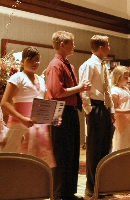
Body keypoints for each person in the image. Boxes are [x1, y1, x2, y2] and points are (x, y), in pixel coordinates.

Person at [46, 31, 90, 200]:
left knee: (72, 154)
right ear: (62, 44)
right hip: (60, 113)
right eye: (72, 43)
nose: (74, 46)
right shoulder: (55, 65)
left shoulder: (68, 65)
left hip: (70, 112)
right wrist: (80, 88)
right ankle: (58, 194)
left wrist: (79, 89)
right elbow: (57, 92)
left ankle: (68, 192)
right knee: (61, 154)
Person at [1, 46, 56, 166]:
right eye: (30, 60)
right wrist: (22, 118)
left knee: (39, 163)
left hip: (39, 127)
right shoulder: (17, 77)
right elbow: (5, 102)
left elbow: (45, 103)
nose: (34, 63)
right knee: (19, 163)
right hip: (20, 125)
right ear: (23, 61)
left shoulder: (41, 80)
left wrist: (54, 117)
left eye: (37, 59)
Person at [79, 35, 115, 197]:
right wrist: (89, 110)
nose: (109, 48)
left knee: (105, 148)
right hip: (96, 107)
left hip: (105, 107)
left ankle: (103, 184)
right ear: (101, 47)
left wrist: (111, 110)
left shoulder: (103, 65)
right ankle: (92, 187)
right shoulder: (89, 65)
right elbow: (84, 89)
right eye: (107, 45)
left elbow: (107, 89)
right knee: (94, 149)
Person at [111, 66, 130, 151]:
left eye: (128, 77)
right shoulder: (114, 91)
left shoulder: (126, 89)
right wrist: (129, 111)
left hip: (129, 122)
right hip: (121, 123)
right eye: (125, 77)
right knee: (121, 147)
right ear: (118, 77)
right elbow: (114, 110)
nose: (128, 79)